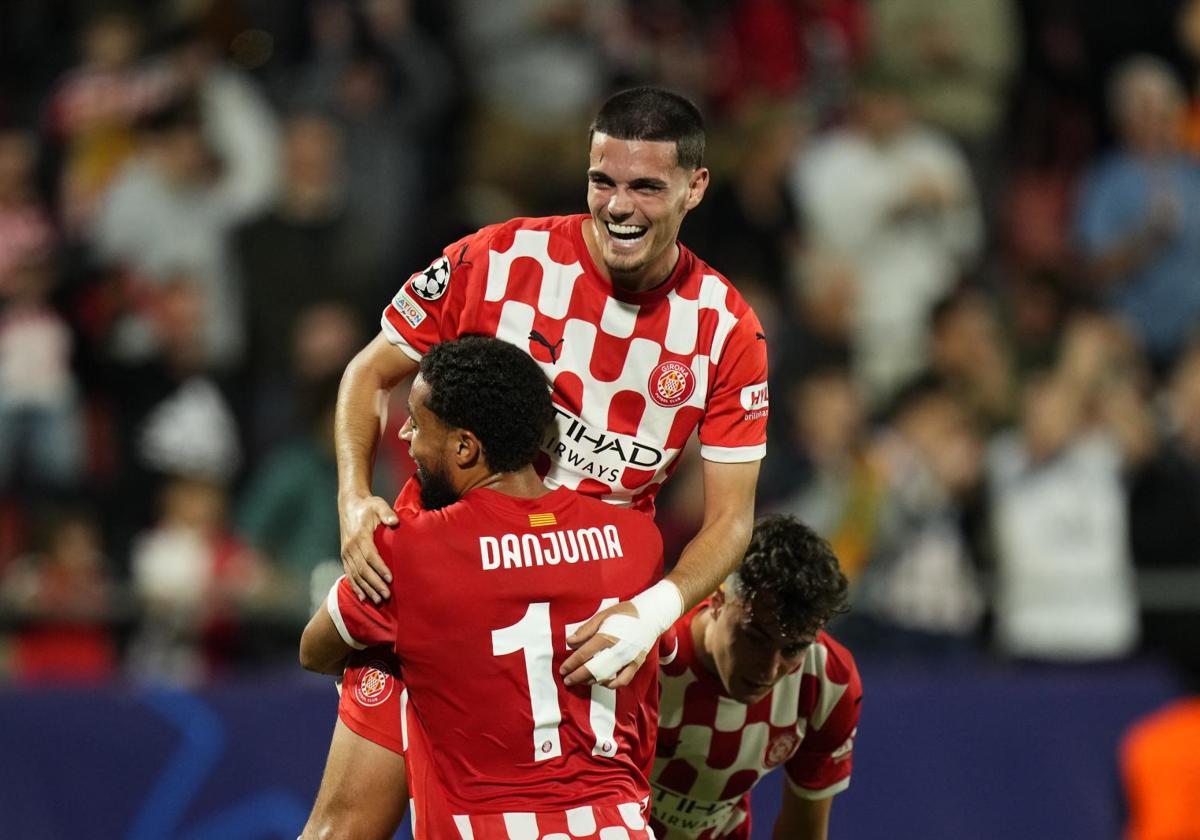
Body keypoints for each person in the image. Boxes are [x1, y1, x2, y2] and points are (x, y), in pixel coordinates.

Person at [322, 85, 767, 836]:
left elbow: (731, 521)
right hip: (441, 591)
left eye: (646, 187)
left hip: (586, 636)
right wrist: (352, 497)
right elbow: (368, 374)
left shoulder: (725, 330)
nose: (619, 207)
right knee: (343, 829)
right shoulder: (495, 260)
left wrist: (652, 615)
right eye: (603, 181)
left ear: (695, 187)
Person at [299, 336, 664, 837]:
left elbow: (314, 650)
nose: (404, 433)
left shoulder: (408, 552)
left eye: (417, 422)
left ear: (465, 447)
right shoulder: (636, 542)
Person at [650, 515, 860, 840]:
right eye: (755, 638)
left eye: (793, 649)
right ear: (718, 597)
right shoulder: (649, 653)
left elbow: (803, 830)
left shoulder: (827, 682)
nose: (769, 668)